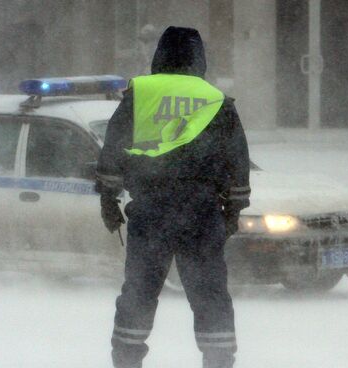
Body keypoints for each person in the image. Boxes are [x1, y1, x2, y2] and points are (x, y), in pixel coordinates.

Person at [95, 26, 251, 368]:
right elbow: (237, 160)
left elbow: (113, 151)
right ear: (200, 58)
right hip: (202, 212)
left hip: (151, 210)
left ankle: (126, 359)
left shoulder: (142, 94)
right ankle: (219, 359)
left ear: (160, 54)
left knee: (139, 292)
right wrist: (233, 210)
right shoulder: (216, 100)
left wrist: (108, 199)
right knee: (210, 294)